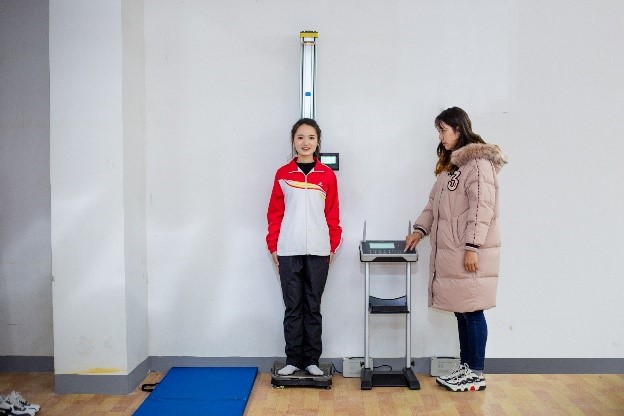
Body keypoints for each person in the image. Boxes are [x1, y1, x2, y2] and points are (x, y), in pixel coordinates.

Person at [405, 107, 507, 392]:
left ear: (459, 129)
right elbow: (433, 206)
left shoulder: (478, 165)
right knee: (463, 311)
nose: (440, 136)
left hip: (469, 252)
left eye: (443, 130)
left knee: (472, 311)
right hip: (455, 252)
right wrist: (419, 230)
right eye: (439, 131)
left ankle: (475, 372)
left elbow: (481, 209)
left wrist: (473, 246)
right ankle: (466, 366)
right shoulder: (453, 168)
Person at [266, 118, 342, 376]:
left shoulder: (327, 175)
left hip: (319, 251)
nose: (305, 142)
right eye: (300, 137)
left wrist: (332, 245)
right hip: (288, 250)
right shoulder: (283, 174)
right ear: (293, 141)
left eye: (311, 137)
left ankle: (311, 360)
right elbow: (274, 214)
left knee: (313, 306)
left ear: (318, 141)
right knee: (293, 307)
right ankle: (293, 359)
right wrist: (273, 246)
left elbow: (333, 214)